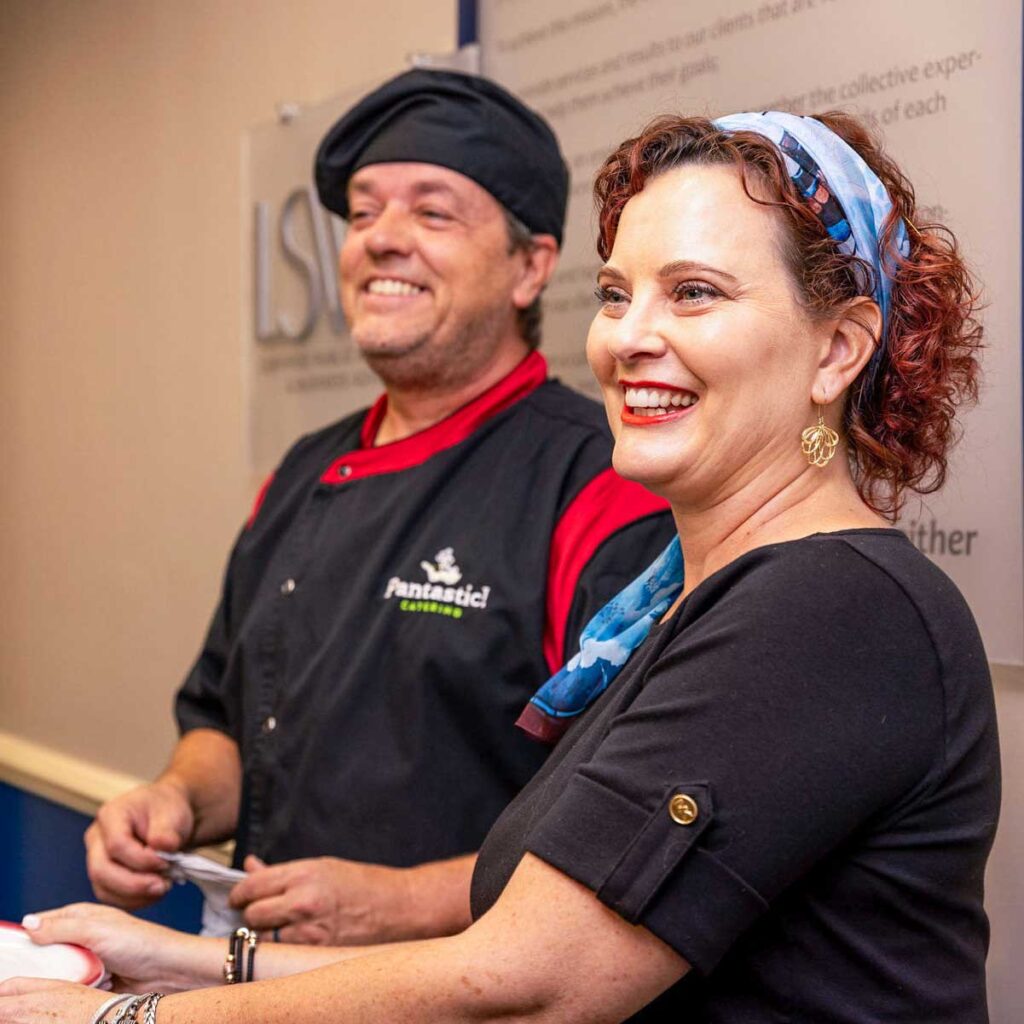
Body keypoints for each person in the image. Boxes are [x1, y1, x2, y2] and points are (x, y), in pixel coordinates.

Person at [2, 109, 999, 1023]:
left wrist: (119, 1016)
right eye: (615, 295)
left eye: (693, 293)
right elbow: (500, 951)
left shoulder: (829, 606)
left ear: (838, 351)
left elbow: (529, 987)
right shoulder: (682, 606)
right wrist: (179, 958)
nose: (628, 338)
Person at [80, 68, 672, 946]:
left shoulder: (598, 484)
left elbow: (629, 818)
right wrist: (172, 799)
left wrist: (401, 903)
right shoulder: (302, 471)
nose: (380, 240)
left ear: (530, 266)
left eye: (432, 213)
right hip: (253, 981)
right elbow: (231, 726)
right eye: (361, 214)